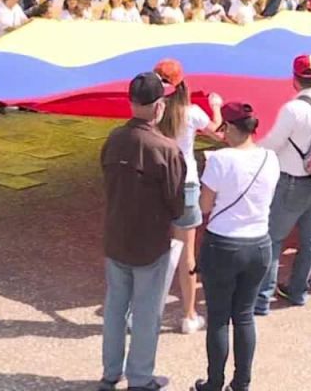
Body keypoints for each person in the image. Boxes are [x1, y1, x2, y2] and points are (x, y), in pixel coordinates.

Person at [98, 72, 186, 391]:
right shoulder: (166, 149)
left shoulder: (113, 139)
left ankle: (110, 372)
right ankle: (140, 377)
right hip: (150, 242)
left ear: (131, 102)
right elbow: (177, 204)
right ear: (159, 106)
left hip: (116, 235)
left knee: (115, 308)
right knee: (147, 313)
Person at [192, 101, 278, 391]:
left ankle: (214, 383)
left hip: (223, 244)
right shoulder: (270, 158)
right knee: (244, 316)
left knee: (218, 318)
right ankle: (242, 382)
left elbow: (204, 206)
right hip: (259, 244)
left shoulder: (219, 160)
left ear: (228, 127)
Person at [256, 54, 311, 314]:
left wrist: (249, 149)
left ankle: (262, 299)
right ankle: (299, 291)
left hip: (292, 180)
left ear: (295, 79)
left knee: (273, 238)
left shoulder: (294, 109)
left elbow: (273, 143)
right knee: (310, 237)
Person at [153, 60, 222, 335]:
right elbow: (217, 132)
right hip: (187, 185)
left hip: (158, 184)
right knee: (187, 255)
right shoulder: (191, 113)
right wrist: (216, 105)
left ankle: (147, 310)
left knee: (154, 249)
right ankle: (189, 314)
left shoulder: (155, 113)